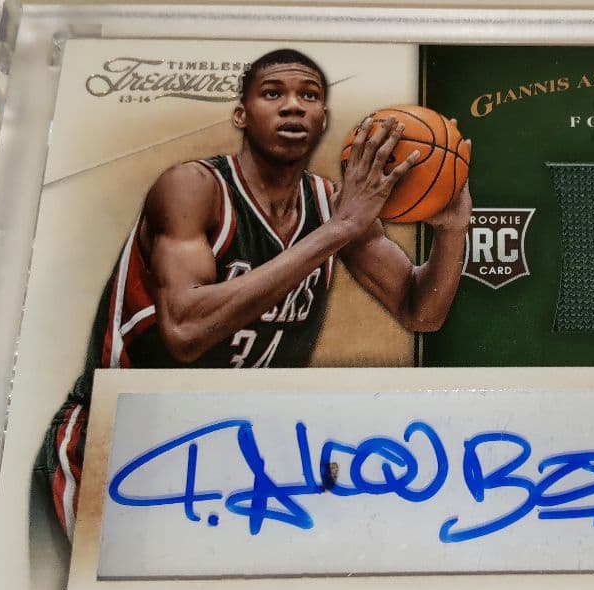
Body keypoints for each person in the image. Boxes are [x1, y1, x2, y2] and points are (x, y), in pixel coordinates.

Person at [35, 48, 472, 541]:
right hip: (119, 443)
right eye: (273, 93)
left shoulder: (331, 205)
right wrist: (339, 230)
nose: (293, 106)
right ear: (242, 115)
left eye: (309, 96)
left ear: (323, 119)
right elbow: (185, 330)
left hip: (229, 453)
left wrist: (451, 230)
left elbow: (421, 311)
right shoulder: (192, 188)